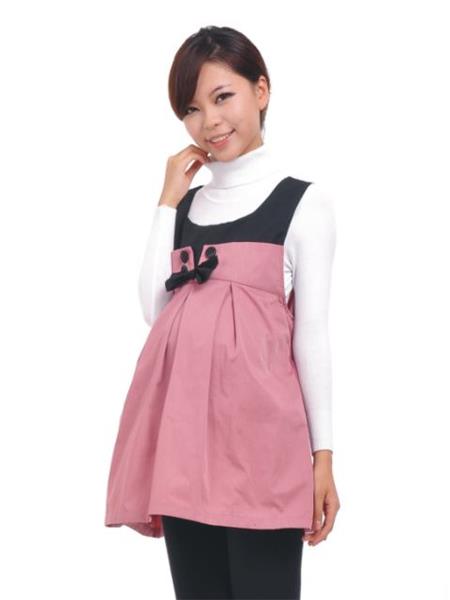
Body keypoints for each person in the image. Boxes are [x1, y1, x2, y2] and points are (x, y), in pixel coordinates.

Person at [104, 25, 340, 599]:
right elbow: (154, 309)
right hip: (184, 454)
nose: (208, 121)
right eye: (191, 108)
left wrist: (323, 456)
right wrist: (167, 201)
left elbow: (311, 336)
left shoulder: (302, 203)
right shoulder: (184, 209)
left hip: (266, 453)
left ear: (261, 90)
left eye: (222, 97)